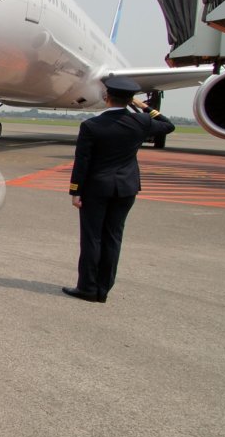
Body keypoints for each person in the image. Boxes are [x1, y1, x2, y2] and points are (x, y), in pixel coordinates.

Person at [64, 76, 175, 303]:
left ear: (106, 97)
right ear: (130, 100)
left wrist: (75, 191)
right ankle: (103, 290)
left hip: (96, 189)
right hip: (126, 188)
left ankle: (87, 287)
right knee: (113, 237)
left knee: (92, 238)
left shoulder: (91, 126)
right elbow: (168, 126)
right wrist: (144, 107)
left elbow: (82, 162)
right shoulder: (141, 122)